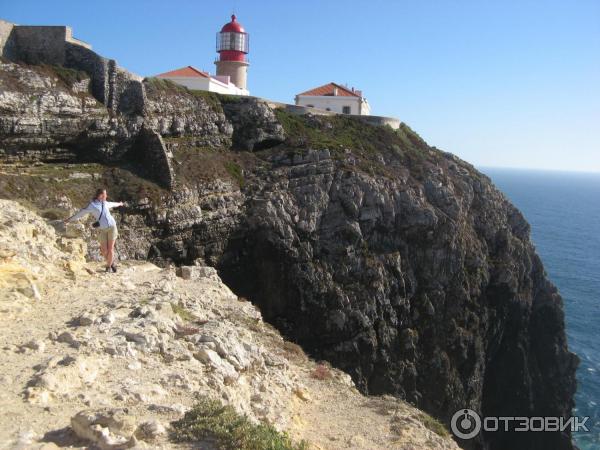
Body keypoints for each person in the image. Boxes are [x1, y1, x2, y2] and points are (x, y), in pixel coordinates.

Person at [64, 188, 124, 273]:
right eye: (104, 194)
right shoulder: (92, 205)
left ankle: (109, 267)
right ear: (100, 195)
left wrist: (120, 204)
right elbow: (81, 213)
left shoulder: (105, 203)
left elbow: (113, 204)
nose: (106, 196)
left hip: (112, 227)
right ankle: (112, 263)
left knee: (110, 249)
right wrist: (69, 219)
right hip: (102, 230)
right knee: (103, 250)